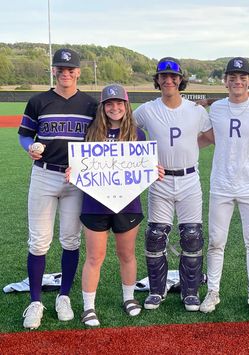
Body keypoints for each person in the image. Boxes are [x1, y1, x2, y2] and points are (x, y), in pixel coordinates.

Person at [18, 48, 98, 329]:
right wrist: (30, 148)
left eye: (70, 69)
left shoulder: (91, 105)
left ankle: (63, 296)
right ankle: (35, 301)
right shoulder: (38, 100)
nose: (65, 73)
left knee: (70, 240)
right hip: (43, 175)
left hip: (75, 180)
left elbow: (98, 142)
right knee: (38, 241)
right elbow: (25, 134)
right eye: (60, 69)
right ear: (54, 71)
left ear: (78, 72)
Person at [76, 84, 164, 327]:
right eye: (109, 104)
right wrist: (74, 171)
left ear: (126, 106)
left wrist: (152, 171)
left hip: (128, 204)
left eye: (119, 103)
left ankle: (129, 298)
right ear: (102, 107)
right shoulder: (90, 133)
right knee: (95, 256)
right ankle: (88, 306)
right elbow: (80, 163)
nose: (114, 108)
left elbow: (143, 167)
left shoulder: (138, 134)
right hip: (94, 204)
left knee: (126, 254)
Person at [133, 57, 210, 311]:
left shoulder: (196, 111)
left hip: (189, 179)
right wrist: (142, 158)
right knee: (155, 237)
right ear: (157, 80)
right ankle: (157, 291)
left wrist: (188, 149)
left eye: (173, 77)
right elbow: (125, 129)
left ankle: (190, 292)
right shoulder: (146, 109)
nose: (168, 80)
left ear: (180, 80)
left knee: (192, 236)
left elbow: (209, 136)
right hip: (160, 180)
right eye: (163, 76)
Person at [198, 57, 249, 314]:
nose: (238, 81)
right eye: (233, 77)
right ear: (225, 81)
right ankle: (213, 291)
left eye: (242, 77)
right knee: (216, 241)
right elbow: (204, 139)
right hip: (221, 184)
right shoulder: (216, 108)